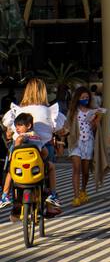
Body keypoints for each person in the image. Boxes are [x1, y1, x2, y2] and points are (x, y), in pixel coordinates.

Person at [1, 77, 62, 209]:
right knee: (49, 162)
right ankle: (51, 196)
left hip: (20, 151)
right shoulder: (49, 111)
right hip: (39, 149)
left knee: (11, 169)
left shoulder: (17, 110)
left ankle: (11, 200)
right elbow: (59, 128)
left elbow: (8, 127)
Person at [65, 85, 105, 206]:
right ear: (77, 98)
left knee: (85, 170)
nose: (85, 99)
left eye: (87, 97)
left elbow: (94, 129)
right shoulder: (72, 111)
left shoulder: (93, 111)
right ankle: (76, 196)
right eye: (82, 97)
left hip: (88, 142)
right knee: (76, 168)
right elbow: (67, 125)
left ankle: (83, 191)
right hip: (76, 142)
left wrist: (95, 122)